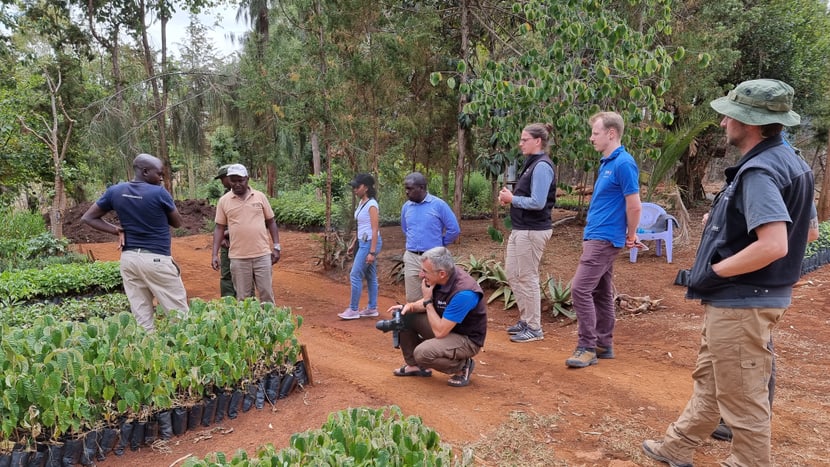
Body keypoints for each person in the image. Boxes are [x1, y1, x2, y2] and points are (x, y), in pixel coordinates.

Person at [642, 79, 814, 467]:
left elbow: (774, 244)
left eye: (729, 116)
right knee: (714, 377)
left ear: (749, 123)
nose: (723, 123)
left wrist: (714, 271)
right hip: (748, 300)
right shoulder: (791, 162)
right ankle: (678, 445)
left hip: (742, 301)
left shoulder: (760, 171)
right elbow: (804, 229)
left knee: (742, 395)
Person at [566, 111, 642, 368]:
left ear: (611, 133)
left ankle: (586, 346)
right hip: (597, 235)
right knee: (600, 291)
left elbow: (635, 206)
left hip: (604, 238)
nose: (591, 138)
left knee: (580, 288)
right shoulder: (607, 162)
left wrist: (631, 235)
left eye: (595, 133)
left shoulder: (623, 163)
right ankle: (603, 343)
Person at [81, 153, 189, 332]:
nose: (162, 178)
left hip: (129, 260)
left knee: (142, 316)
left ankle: (148, 354)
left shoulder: (115, 191)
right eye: (159, 174)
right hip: (157, 260)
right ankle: (183, 355)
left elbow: (88, 217)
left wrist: (116, 229)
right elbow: (177, 223)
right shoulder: (159, 192)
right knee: (179, 315)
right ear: (145, 171)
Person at [386, 246, 486, 387]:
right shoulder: (443, 277)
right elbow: (430, 302)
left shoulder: (464, 293)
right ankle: (415, 366)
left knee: (422, 353)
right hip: (447, 327)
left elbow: (440, 331)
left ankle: (462, 366)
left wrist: (427, 301)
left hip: (466, 339)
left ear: (442, 274)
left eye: (425, 271)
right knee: (403, 315)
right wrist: (410, 306)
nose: (421, 275)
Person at [498, 123, 557, 343]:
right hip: (521, 228)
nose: (520, 143)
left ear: (537, 141)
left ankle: (534, 327)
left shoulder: (542, 166)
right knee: (513, 273)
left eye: (524, 139)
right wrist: (510, 198)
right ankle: (526, 319)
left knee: (528, 277)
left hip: (533, 230)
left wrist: (512, 199)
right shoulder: (531, 163)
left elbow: (538, 202)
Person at [211, 164, 281, 304]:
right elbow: (219, 228)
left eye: (240, 180)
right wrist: (214, 254)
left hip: (262, 255)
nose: (237, 184)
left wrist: (277, 246)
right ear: (229, 180)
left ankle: (268, 325)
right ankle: (249, 326)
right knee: (243, 299)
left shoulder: (260, 197)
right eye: (233, 180)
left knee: (266, 295)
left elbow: (271, 222)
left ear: (247, 179)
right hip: (238, 258)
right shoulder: (224, 201)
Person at [400, 172, 461, 302]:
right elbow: (405, 229)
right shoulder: (406, 207)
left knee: (437, 297)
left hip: (434, 260)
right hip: (412, 257)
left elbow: (454, 229)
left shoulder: (439, 205)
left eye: (410, 188)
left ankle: (436, 322)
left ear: (421, 188)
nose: (406, 192)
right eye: (406, 188)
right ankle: (415, 322)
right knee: (412, 298)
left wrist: (440, 246)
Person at [339, 173, 383, 320]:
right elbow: (361, 226)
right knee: (370, 275)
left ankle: (353, 309)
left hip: (370, 243)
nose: (355, 190)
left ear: (365, 187)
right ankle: (372, 308)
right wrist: (354, 243)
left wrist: (372, 251)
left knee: (355, 274)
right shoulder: (362, 203)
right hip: (362, 242)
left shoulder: (372, 205)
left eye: (357, 187)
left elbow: (374, 229)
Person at [214, 165, 236, 298]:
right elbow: (219, 222)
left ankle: (245, 304)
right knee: (227, 274)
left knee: (245, 273)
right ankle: (229, 304)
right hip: (227, 243)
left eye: (222, 178)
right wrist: (222, 237)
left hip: (242, 242)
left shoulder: (246, 194)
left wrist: (225, 234)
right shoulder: (225, 196)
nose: (222, 182)